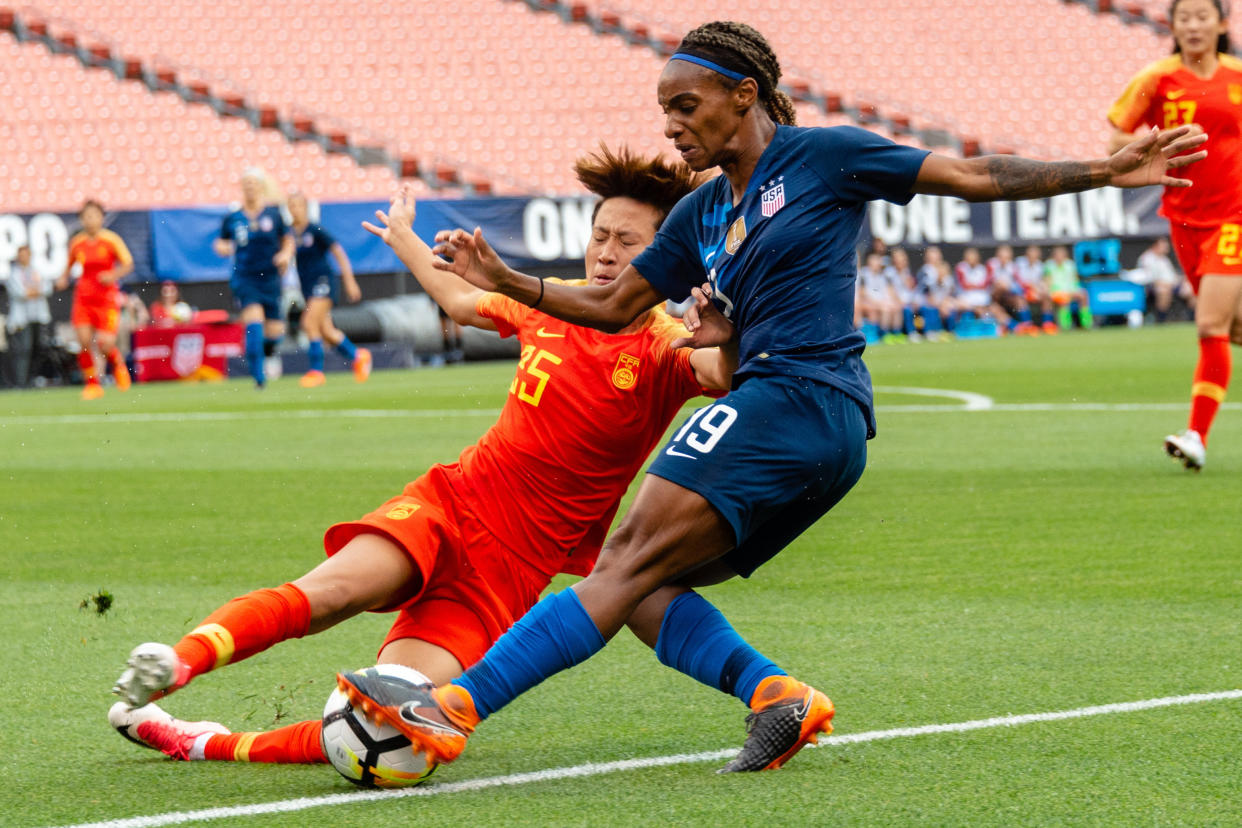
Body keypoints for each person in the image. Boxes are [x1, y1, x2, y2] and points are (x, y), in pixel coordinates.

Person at [339, 20, 1207, 775]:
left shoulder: (825, 157)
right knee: (643, 586)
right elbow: (608, 307)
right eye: (663, 110)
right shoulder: (699, 217)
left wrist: (1103, 169)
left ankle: (449, 708)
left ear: (742, 94)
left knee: (621, 564)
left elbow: (973, 175)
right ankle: (778, 697)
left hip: (797, 398)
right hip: (819, 427)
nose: (671, 126)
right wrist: (510, 279)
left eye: (686, 106)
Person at [107, 147, 767, 767]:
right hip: (451, 503)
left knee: (393, 728)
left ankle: (204, 743)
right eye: (600, 235)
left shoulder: (663, 343)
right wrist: (405, 242)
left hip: (506, 575)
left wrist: (729, 339)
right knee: (330, 592)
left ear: (668, 254)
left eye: (629, 242)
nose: (606, 252)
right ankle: (181, 659)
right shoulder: (554, 302)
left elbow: (719, 372)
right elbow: (458, 298)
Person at [1108, 0, 1241, 469]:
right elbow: (1115, 140)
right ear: (1173, 24)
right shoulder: (1157, 78)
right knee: (1232, 328)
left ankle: (1196, 436)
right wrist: (1160, 141)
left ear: (1222, 23)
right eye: (1184, 17)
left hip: (1234, 218)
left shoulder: (1237, 77)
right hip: (1182, 217)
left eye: (1203, 16)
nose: (1193, 25)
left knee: (1209, 326)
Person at [214, 168, 294, 388]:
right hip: (245, 277)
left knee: (275, 332)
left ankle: (265, 353)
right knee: (254, 322)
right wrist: (225, 247)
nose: (250, 187)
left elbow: (287, 240)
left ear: (260, 187)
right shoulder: (233, 217)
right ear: (242, 187)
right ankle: (259, 378)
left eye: (253, 183)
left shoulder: (274, 215)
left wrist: (285, 255)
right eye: (246, 183)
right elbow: (220, 241)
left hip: (270, 278)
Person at [286, 192, 372, 387]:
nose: (294, 209)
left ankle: (316, 372)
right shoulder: (290, 233)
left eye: (298, 205)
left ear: (305, 207)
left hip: (323, 282)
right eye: (291, 206)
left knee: (308, 323)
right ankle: (358, 356)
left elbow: (338, 253)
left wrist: (350, 281)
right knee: (326, 331)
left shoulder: (315, 230)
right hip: (307, 287)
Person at [54, 200, 134, 400]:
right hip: (83, 298)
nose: (90, 220)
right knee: (83, 342)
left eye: (94, 215)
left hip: (105, 299)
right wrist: (63, 278)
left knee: (105, 344)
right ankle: (92, 384)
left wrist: (112, 275)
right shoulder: (77, 243)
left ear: (101, 217)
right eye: (86, 216)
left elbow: (128, 264)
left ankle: (117, 365)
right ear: (81, 219)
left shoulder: (111, 240)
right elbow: (68, 265)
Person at [5, 245, 53, 387]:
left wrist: (31, 291)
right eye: (21, 255)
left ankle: (32, 379)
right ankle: (21, 382)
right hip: (21, 319)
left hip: (38, 316)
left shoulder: (37, 271)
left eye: (26, 254)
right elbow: (20, 293)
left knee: (38, 348)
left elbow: (48, 288)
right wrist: (35, 290)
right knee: (23, 349)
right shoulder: (13, 273)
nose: (23, 257)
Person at [955, 247, 1014, 331]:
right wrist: (976, 287)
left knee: (995, 309)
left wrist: (974, 286)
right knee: (977, 310)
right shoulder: (961, 267)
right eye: (969, 257)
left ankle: (1014, 327)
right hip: (965, 298)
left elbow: (985, 285)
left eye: (973, 257)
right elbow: (964, 285)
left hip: (980, 298)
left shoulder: (982, 269)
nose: (971, 259)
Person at [1136, 237, 1192, 322]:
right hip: (1154, 287)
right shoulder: (1146, 258)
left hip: (1172, 284)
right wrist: (1166, 284)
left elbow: (1173, 276)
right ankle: (1161, 319)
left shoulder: (1164, 259)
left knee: (1191, 288)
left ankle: (1192, 318)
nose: (1166, 247)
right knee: (1163, 290)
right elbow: (1149, 278)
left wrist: (1183, 280)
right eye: (1163, 245)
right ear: (1156, 246)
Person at [987, 244, 1037, 334]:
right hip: (994, 299)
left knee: (1020, 301)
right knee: (995, 310)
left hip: (1008, 297)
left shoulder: (1013, 267)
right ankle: (1018, 328)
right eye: (1001, 257)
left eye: (1006, 257)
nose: (1004, 260)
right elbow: (988, 283)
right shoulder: (991, 265)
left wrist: (1009, 286)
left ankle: (1028, 326)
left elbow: (1018, 284)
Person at [857, 251, 904, 341]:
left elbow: (889, 291)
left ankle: (896, 333)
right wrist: (878, 303)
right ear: (869, 262)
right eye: (874, 261)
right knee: (885, 309)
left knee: (896, 307)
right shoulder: (864, 274)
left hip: (881, 302)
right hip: (868, 302)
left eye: (878, 261)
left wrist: (895, 301)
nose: (877, 264)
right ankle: (884, 334)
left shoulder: (883, 275)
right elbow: (862, 293)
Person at [1042, 245, 1092, 329]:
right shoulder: (1049, 265)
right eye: (1057, 255)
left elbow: (1074, 280)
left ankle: (1086, 323)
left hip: (1070, 290)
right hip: (1056, 291)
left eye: (1061, 255)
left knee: (1083, 295)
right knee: (1064, 299)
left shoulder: (1070, 265)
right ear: (1054, 256)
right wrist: (1056, 291)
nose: (1059, 257)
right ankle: (1065, 325)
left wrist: (1074, 289)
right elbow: (1047, 282)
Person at [1015, 244, 1059, 333]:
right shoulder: (1019, 263)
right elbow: (1017, 280)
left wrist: (1040, 289)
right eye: (1030, 254)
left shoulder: (1040, 266)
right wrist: (1029, 288)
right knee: (1020, 300)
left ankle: (1047, 324)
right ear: (1027, 254)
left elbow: (1041, 282)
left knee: (1046, 298)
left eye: (1035, 255)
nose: (1032, 257)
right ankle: (1027, 326)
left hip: (1035, 292)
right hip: (1021, 292)